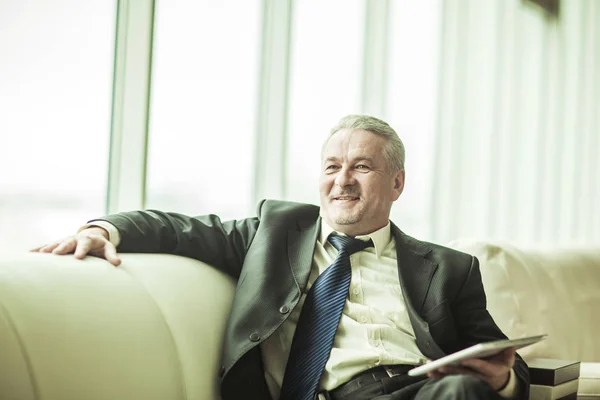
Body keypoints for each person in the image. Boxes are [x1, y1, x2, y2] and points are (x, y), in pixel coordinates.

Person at [33, 115, 529, 400]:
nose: (343, 180)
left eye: (362, 167)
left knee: (462, 393)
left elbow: (510, 363)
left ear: (396, 183)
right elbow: (176, 228)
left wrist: (501, 379)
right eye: (333, 166)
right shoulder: (273, 232)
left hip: (413, 391)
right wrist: (102, 229)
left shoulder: (449, 268)